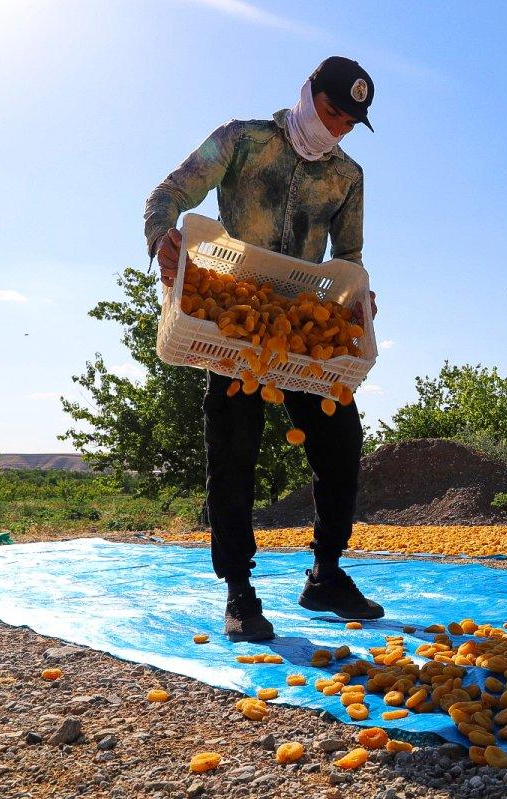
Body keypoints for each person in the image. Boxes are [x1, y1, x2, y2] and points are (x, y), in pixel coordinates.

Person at [145, 56, 384, 641]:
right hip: (235, 326)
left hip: (302, 328)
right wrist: (162, 238)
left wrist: (359, 297)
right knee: (233, 451)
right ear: (307, 95)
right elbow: (170, 192)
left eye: (349, 124)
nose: (337, 129)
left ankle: (326, 573)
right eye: (331, 113)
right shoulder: (244, 141)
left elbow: (348, 258)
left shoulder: (346, 177)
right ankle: (240, 591)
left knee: (341, 443)